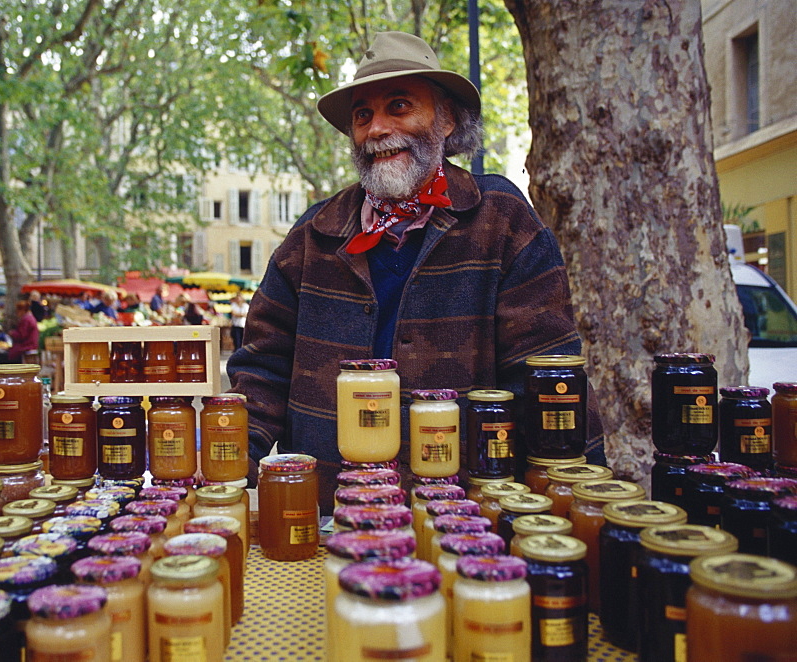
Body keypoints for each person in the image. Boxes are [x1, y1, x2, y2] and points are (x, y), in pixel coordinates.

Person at [227, 32, 605, 510]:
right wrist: (227, 468)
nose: (377, 129)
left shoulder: (502, 219)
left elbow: (548, 377)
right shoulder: (315, 234)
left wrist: (582, 499)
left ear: (446, 120)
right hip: (328, 514)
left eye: (399, 106)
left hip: (463, 516)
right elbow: (262, 368)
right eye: (362, 115)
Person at [0, 299, 39, 364]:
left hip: (27, 345)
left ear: (22, 310)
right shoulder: (30, 318)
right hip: (30, 344)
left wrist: (12, 333)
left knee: (3, 356)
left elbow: (21, 335)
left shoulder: (26, 319)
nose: (17, 313)